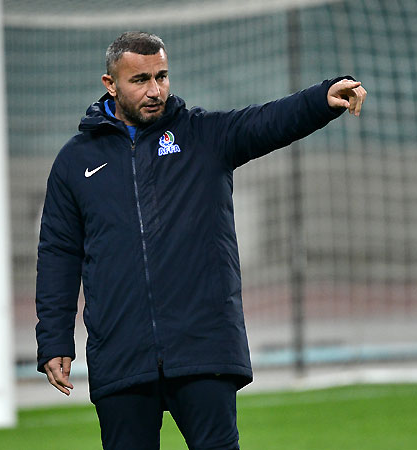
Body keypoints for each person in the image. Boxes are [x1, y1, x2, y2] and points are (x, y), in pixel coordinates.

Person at [36, 31, 367, 450]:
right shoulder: (76, 160)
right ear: (111, 84)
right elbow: (59, 254)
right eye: (140, 80)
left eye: (161, 76)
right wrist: (54, 339)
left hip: (202, 347)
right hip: (121, 353)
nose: (155, 90)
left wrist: (321, 99)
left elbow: (267, 121)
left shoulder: (203, 136)